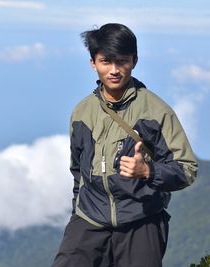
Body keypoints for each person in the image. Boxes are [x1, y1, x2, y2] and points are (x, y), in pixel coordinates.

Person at [52, 23, 198, 267]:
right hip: (89, 220)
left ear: (135, 61)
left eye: (122, 61)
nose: (114, 70)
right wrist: (78, 211)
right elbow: (78, 171)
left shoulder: (155, 112)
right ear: (93, 63)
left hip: (140, 221)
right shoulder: (82, 112)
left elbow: (187, 170)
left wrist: (148, 172)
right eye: (106, 61)